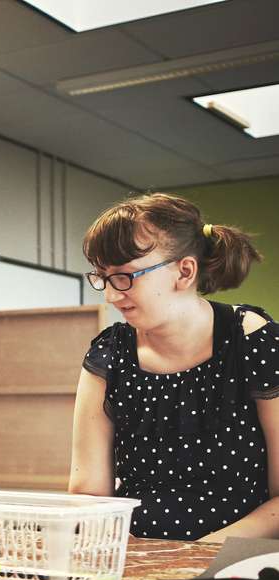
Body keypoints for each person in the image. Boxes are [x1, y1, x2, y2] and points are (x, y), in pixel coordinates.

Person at [69, 192, 273, 541]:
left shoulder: (253, 342)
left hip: (229, 562)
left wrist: (193, 557)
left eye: (126, 276)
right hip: (133, 556)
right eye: (103, 276)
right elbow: (89, 493)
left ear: (185, 271)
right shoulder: (110, 353)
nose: (111, 294)